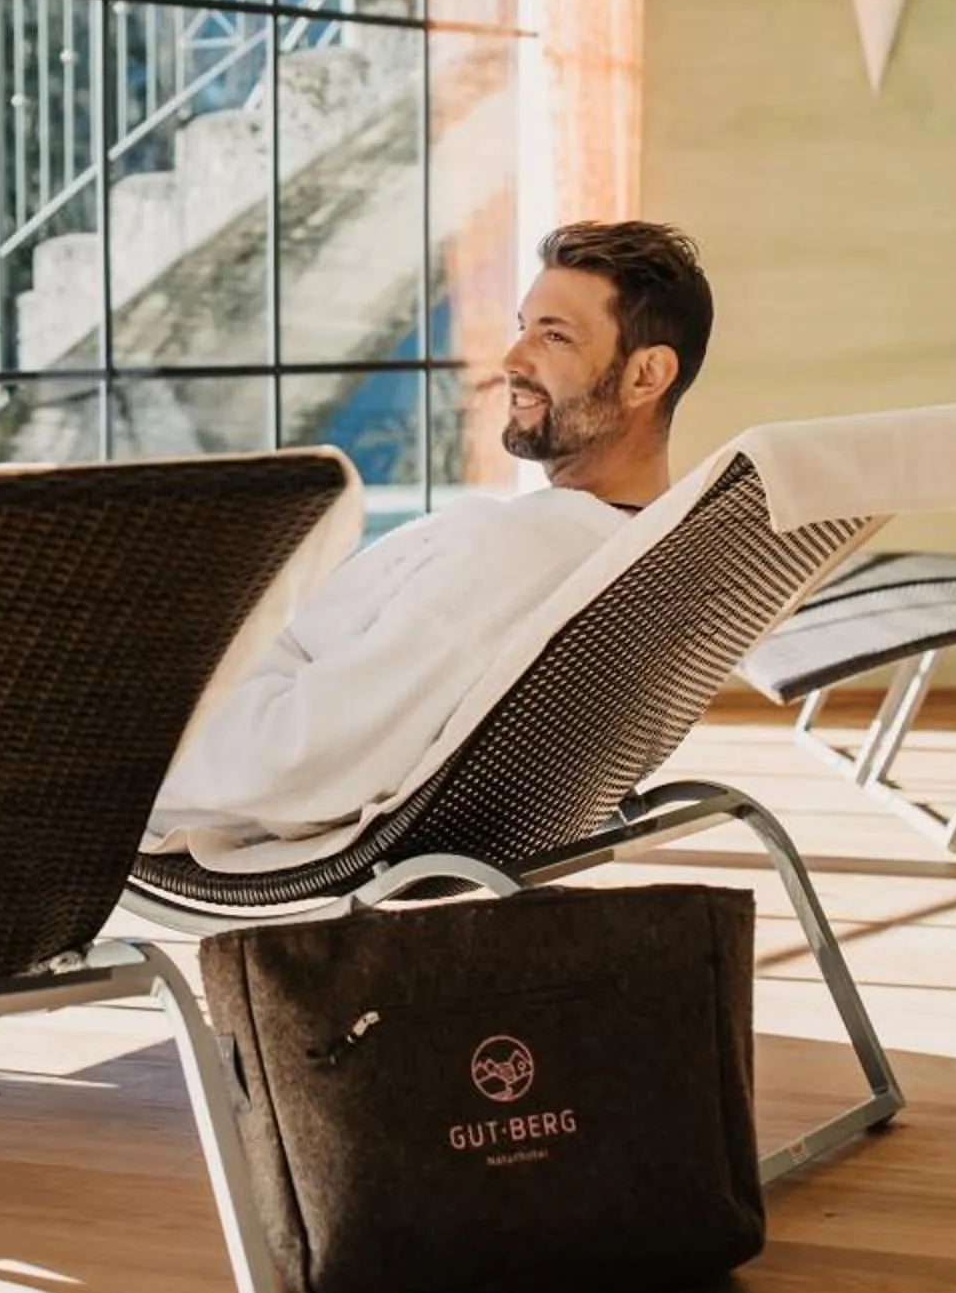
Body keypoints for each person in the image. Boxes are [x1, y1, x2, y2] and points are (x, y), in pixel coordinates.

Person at [142, 220, 716, 871]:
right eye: (523, 325)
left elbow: (294, 761)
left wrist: (107, 749)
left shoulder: (517, 556)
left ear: (646, 376)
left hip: (157, 761)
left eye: (554, 336)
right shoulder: (642, 547)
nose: (512, 360)